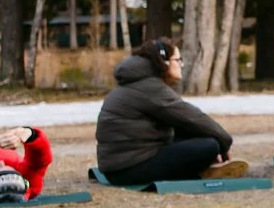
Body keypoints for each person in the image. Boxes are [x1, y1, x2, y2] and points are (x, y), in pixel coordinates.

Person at [96, 39, 243, 185]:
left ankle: (204, 168)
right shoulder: (149, 87)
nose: (181, 64)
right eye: (177, 60)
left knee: (197, 136)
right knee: (210, 146)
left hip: (120, 166)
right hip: (127, 170)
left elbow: (184, 123)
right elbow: (192, 117)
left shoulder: (138, 82)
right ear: (164, 62)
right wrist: (224, 143)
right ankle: (201, 171)